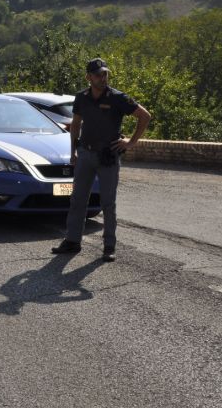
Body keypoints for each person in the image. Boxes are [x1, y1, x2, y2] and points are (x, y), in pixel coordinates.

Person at [52, 58, 151, 262]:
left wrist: (131, 142)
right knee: (77, 200)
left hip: (107, 157)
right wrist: (73, 152)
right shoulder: (81, 97)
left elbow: (145, 116)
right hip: (85, 155)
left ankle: (109, 246)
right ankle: (72, 241)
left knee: (107, 203)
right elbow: (76, 124)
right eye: (98, 74)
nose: (103, 77)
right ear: (88, 77)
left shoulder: (118, 98)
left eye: (105, 73)